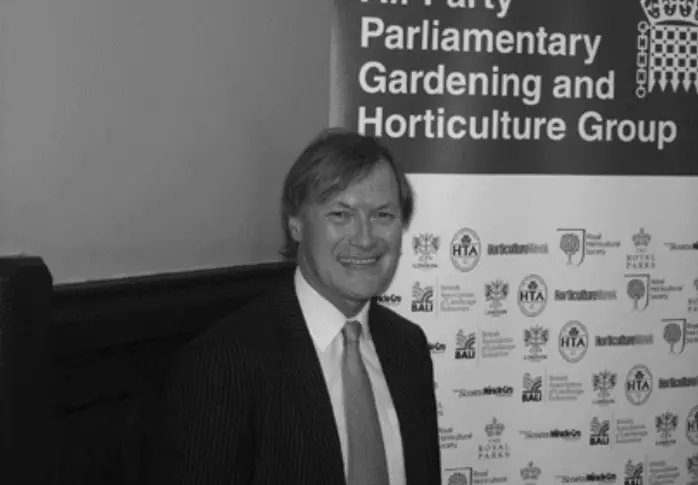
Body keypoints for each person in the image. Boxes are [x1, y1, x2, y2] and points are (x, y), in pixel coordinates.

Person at [149, 128, 441, 485]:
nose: (365, 239)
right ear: (296, 224)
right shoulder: (224, 364)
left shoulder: (408, 347)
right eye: (340, 214)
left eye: (383, 215)